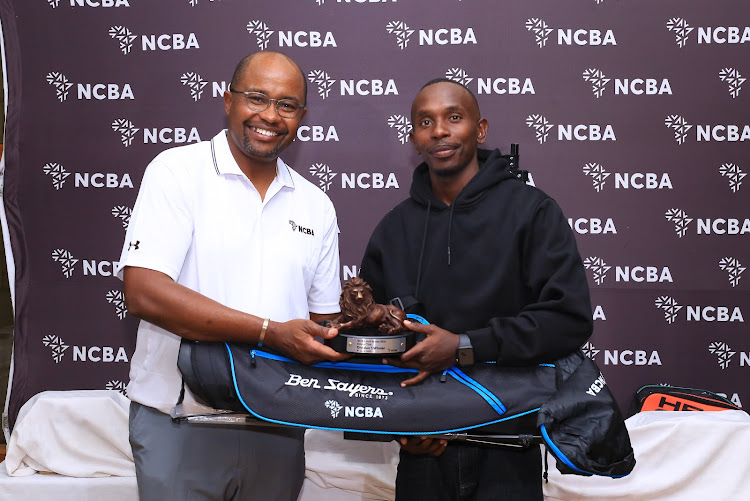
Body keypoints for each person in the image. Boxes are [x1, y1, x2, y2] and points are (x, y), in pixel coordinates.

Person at [117, 51, 349, 501]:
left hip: (277, 426)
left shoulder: (315, 203)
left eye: (287, 104)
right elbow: (145, 293)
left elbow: (324, 325)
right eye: (257, 98)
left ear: (301, 116)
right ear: (228, 100)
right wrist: (270, 333)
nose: (270, 115)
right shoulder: (176, 172)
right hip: (181, 422)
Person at [359, 79, 594, 501]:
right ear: (414, 137)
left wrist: (465, 346)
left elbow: (568, 321)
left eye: (453, 117)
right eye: (425, 122)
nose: (440, 131)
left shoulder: (533, 211)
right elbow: (372, 344)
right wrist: (401, 431)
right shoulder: (393, 230)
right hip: (423, 451)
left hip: (508, 447)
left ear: (480, 129)